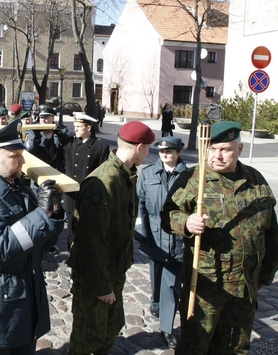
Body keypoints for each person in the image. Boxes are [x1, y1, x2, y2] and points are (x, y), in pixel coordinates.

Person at [161, 121, 278, 354]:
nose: (217, 156)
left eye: (225, 149)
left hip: (245, 285)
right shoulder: (194, 178)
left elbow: (271, 230)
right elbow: (168, 215)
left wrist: (267, 271)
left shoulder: (255, 181)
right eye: (212, 149)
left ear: (239, 149)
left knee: (236, 345)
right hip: (208, 284)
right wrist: (186, 222)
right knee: (196, 344)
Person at [0, 120, 65, 353]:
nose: (23, 161)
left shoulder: (21, 190)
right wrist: (41, 214)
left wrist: (54, 213)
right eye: (15, 155)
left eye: (21, 154)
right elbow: (1, 249)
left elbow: (43, 243)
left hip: (25, 298)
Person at [68, 121, 155, 354]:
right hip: (96, 279)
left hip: (113, 271)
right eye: (147, 149)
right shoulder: (105, 182)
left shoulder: (125, 176)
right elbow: (89, 241)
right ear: (139, 148)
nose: (147, 153)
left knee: (110, 328)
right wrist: (102, 286)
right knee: (88, 338)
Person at [135, 136, 187, 348]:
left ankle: (166, 327)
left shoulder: (190, 176)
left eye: (171, 151)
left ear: (179, 153)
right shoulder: (148, 173)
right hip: (154, 237)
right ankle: (156, 303)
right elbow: (140, 205)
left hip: (178, 239)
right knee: (156, 277)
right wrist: (141, 231)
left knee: (172, 284)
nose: (166, 155)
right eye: (163, 152)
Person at [62, 113, 110, 247]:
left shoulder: (100, 146)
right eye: (74, 126)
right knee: (71, 231)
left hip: (89, 197)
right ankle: (72, 257)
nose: (75, 129)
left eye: (78, 126)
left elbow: (104, 174)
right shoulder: (70, 144)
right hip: (72, 197)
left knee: (88, 232)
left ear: (88, 128)